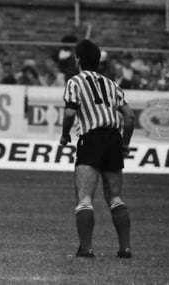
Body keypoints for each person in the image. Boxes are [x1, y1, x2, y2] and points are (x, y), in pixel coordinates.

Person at [59, 39, 135, 259]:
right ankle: (125, 248)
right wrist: (125, 144)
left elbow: (70, 113)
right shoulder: (112, 84)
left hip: (91, 138)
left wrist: (65, 135)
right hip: (113, 139)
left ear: (78, 59)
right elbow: (129, 117)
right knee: (116, 197)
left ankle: (86, 249)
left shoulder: (75, 82)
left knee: (84, 198)